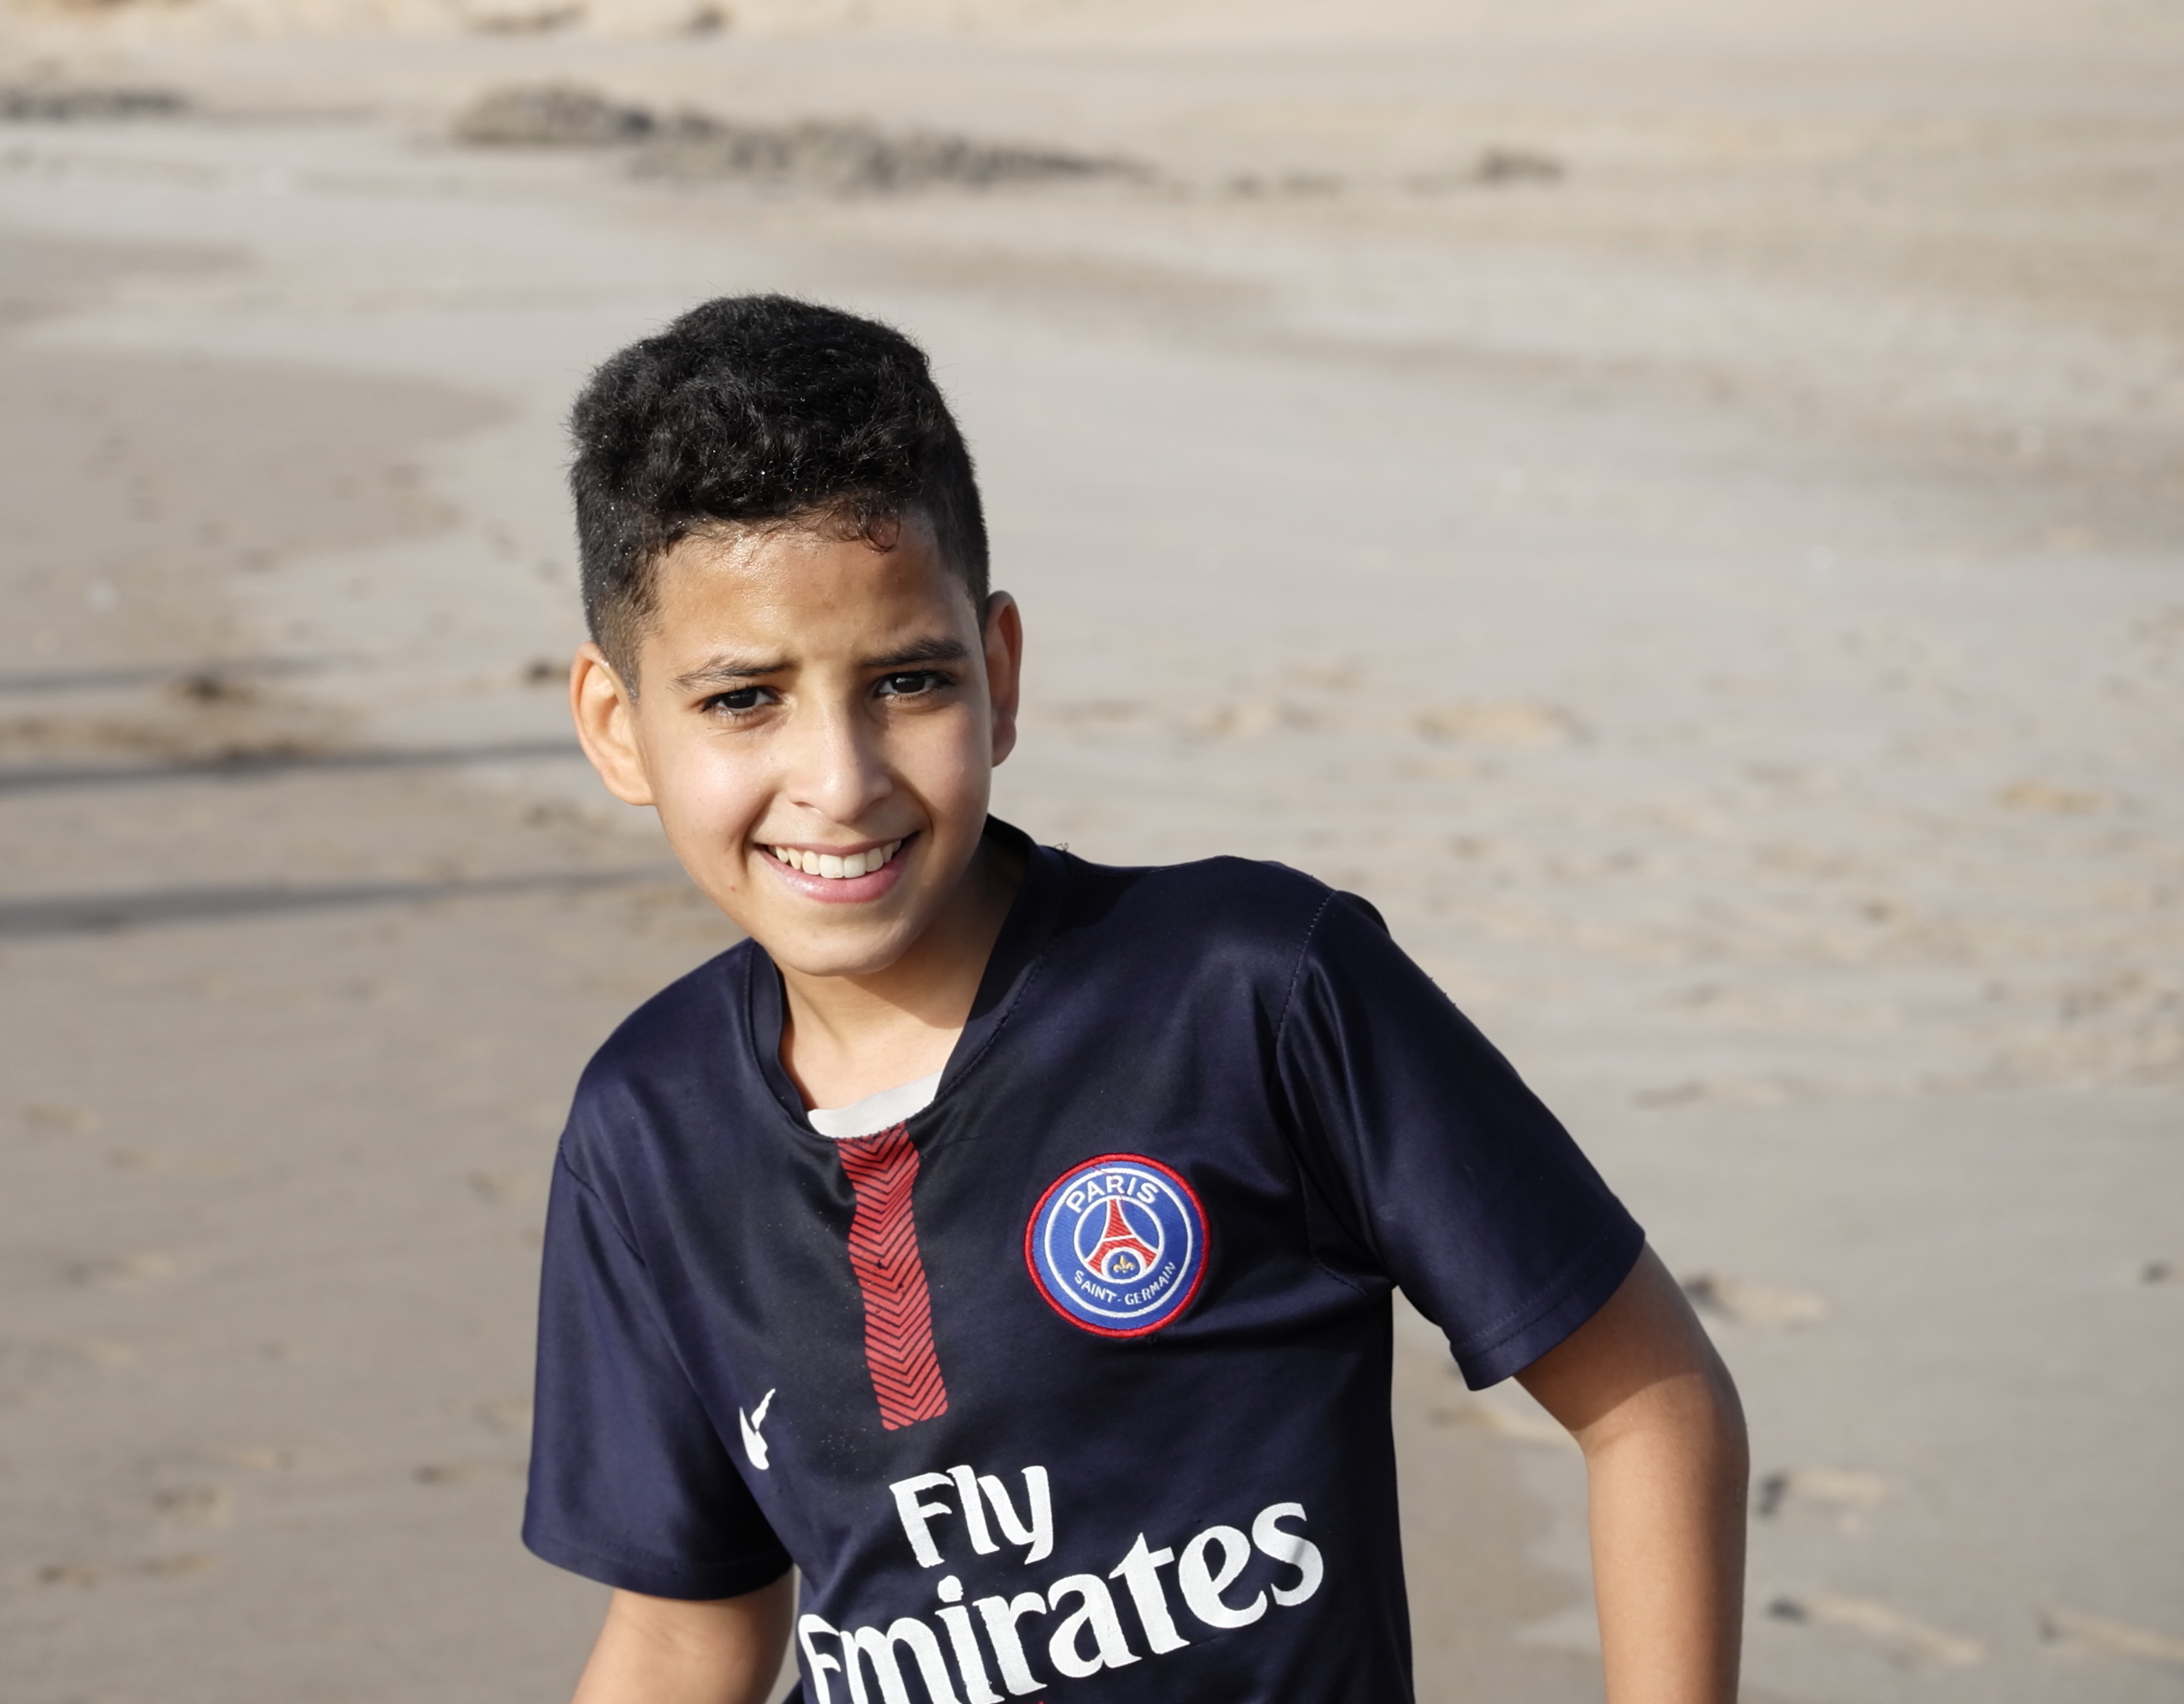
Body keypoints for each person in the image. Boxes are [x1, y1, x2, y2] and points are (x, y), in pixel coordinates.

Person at [527, 296, 1749, 1704]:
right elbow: (687, 1631)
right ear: (618, 726)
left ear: (997, 673)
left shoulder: (1252, 993)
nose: (841, 780)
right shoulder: (646, 1127)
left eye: (906, 681)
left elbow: (1651, 1406)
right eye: (743, 699)